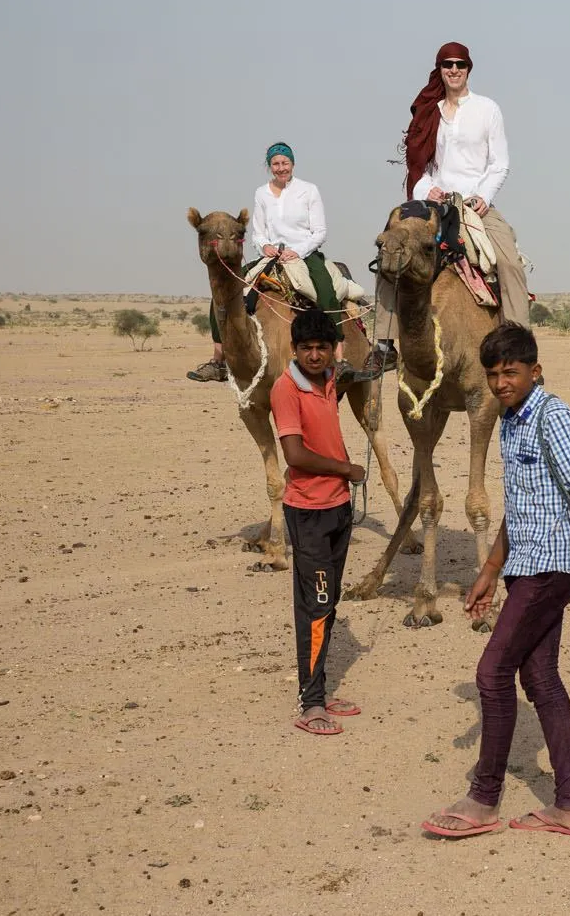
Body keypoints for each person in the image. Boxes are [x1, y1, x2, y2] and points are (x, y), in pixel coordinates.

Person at [420, 322, 570, 839]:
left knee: (491, 675)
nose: (501, 382)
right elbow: (522, 505)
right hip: (523, 565)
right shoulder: (510, 420)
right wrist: (489, 570)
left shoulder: (552, 417)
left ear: (535, 370)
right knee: (539, 679)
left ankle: (484, 799)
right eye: (493, 374)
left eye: (511, 372)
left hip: (552, 569)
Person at [188, 143, 378, 386]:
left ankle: (340, 360)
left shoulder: (308, 191)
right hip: (271, 256)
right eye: (276, 164)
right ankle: (219, 360)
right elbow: (258, 232)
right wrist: (265, 246)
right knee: (224, 294)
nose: (281, 168)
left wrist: (296, 251)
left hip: (305, 254)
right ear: (270, 167)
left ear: (292, 164)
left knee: (326, 292)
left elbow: (320, 232)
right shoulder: (262, 193)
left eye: (285, 163)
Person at [270, 308, 365, 735]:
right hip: (308, 512)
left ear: (333, 350)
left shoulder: (329, 381)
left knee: (329, 602)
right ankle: (311, 705)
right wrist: (345, 469)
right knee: (316, 606)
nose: (313, 355)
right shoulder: (286, 389)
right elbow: (295, 455)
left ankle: (321, 691)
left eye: (320, 348)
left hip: (337, 507)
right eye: (306, 348)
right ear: (294, 349)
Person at [402, 42, 530, 334]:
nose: (454, 70)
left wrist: (483, 197)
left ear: (468, 69)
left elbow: (500, 163)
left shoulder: (487, 109)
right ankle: (385, 344)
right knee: (393, 251)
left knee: (509, 264)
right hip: (435, 203)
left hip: (475, 205)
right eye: (448, 64)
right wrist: (426, 189)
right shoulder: (427, 113)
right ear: (440, 70)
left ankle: (520, 346)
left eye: (460, 64)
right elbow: (417, 166)